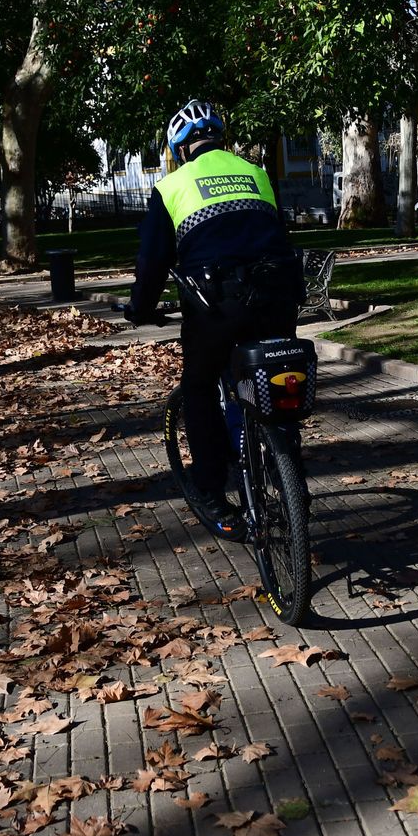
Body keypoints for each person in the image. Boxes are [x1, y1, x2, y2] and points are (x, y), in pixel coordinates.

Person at [124, 99, 302, 535]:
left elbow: (152, 262)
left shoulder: (173, 186)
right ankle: (290, 476)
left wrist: (140, 309)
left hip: (218, 305)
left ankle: (212, 492)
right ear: (219, 140)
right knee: (273, 383)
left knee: (199, 388)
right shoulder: (256, 173)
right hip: (279, 297)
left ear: (180, 149)